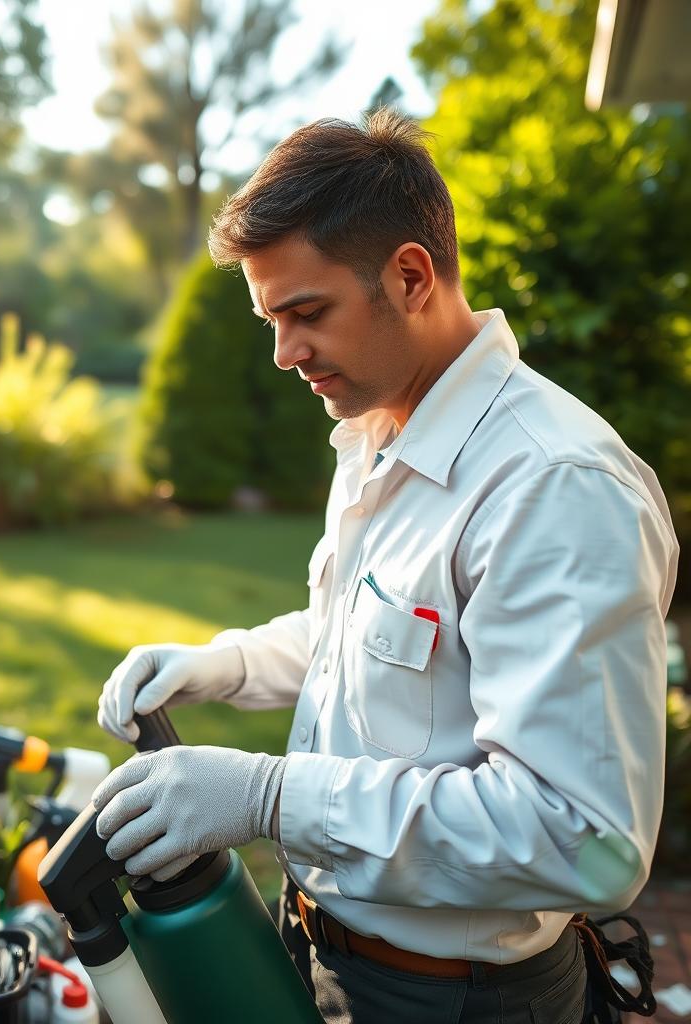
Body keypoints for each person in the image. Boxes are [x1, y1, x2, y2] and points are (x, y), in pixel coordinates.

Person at [91, 110, 679, 1023]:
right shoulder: (377, 433)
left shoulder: (552, 486)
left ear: (409, 276)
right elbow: (370, 640)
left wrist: (265, 795)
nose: (284, 353)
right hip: (329, 957)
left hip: (458, 1002)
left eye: (305, 313)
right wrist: (229, 663)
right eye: (270, 319)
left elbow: (586, 837)